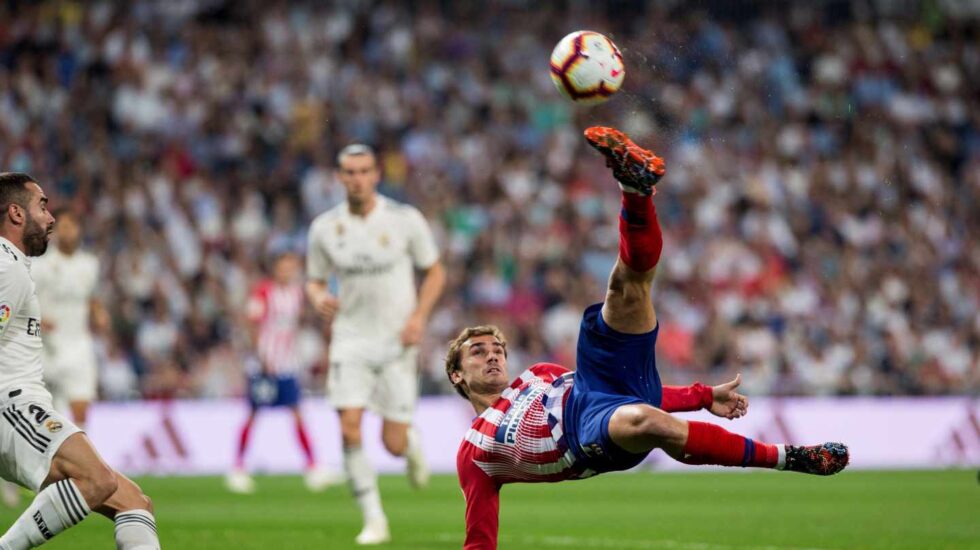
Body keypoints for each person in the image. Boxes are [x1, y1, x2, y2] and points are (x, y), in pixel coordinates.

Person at [446, 128, 850, 550]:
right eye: (477, 352)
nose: (492, 355)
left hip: (592, 386)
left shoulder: (538, 375)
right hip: (587, 436)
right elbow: (479, 539)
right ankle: (791, 458)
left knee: (626, 287)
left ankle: (634, 188)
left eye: (497, 348)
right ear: (457, 375)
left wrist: (702, 395)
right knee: (644, 420)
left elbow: (627, 390)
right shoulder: (474, 451)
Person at [0, 172, 161, 550]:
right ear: (16, 214)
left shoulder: (15, 264)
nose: (51, 216)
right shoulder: (8, 268)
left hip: (25, 401)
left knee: (135, 504)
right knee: (97, 480)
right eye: (42, 205)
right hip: (11, 404)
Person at [306, 144, 446, 545]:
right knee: (349, 426)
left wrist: (419, 316)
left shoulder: (405, 220)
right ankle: (374, 519)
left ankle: (412, 443)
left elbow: (435, 273)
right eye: (349, 172)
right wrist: (318, 298)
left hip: (396, 341)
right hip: (350, 338)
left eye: (364, 171)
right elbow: (314, 279)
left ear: (376, 175)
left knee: (393, 443)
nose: (357, 178)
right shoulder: (324, 228)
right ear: (339, 177)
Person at [225, 251, 343, 494]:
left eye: (292, 267)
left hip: (287, 364)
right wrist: (261, 355)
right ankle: (237, 468)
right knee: (253, 413)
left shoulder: (296, 293)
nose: (288, 271)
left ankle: (313, 467)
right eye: (284, 267)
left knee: (297, 412)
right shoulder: (264, 291)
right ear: (275, 268)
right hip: (264, 365)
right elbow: (251, 323)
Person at [32, 208, 109, 428]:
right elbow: (24, 301)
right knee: (50, 413)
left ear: (79, 230)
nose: (67, 232)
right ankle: (50, 459)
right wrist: (38, 319)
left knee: (81, 405)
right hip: (48, 348)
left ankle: (77, 457)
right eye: (62, 227)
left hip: (79, 344)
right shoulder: (40, 265)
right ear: (54, 231)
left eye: (71, 227)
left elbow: (92, 298)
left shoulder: (90, 264)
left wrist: (99, 314)